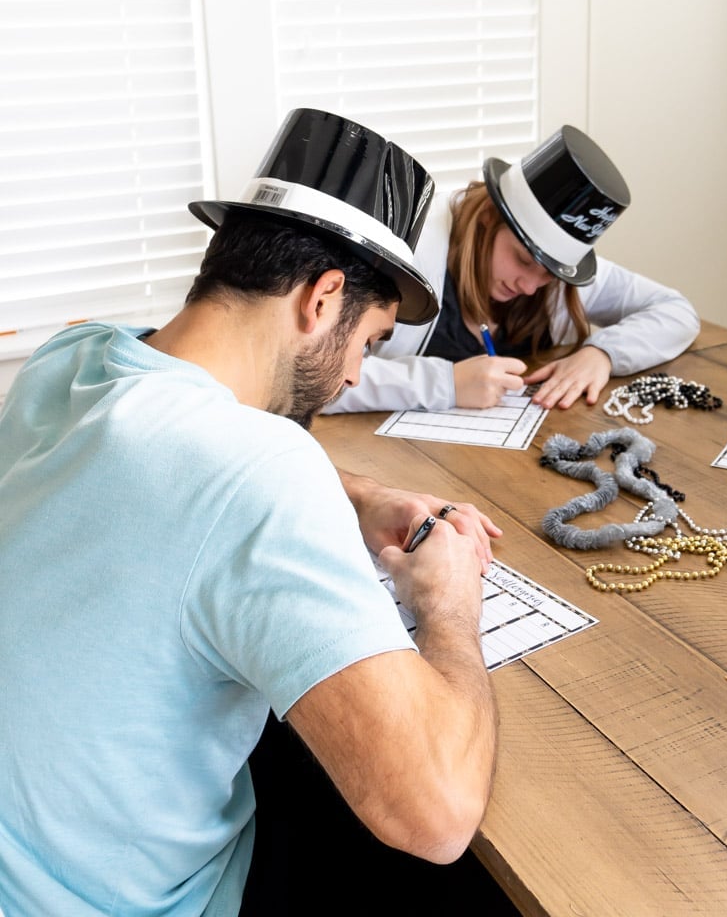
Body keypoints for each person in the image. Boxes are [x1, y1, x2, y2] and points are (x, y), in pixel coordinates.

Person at [0, 109, 500, 917]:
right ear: (323, 297)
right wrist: (449, 607)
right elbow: (435, 814)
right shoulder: (260, 472)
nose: (352, 379)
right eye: (368, 343)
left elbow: (197, 441)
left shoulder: (73, 362)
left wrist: (363, 496)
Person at [325, 124, 700, 416]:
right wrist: (446, 383)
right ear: (489, 216)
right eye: (522, 259)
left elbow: (676, 312)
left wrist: (602, 354)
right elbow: (317, 376)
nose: (530, 285)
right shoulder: (406, 252)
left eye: (549, 273)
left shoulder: (558, 277)